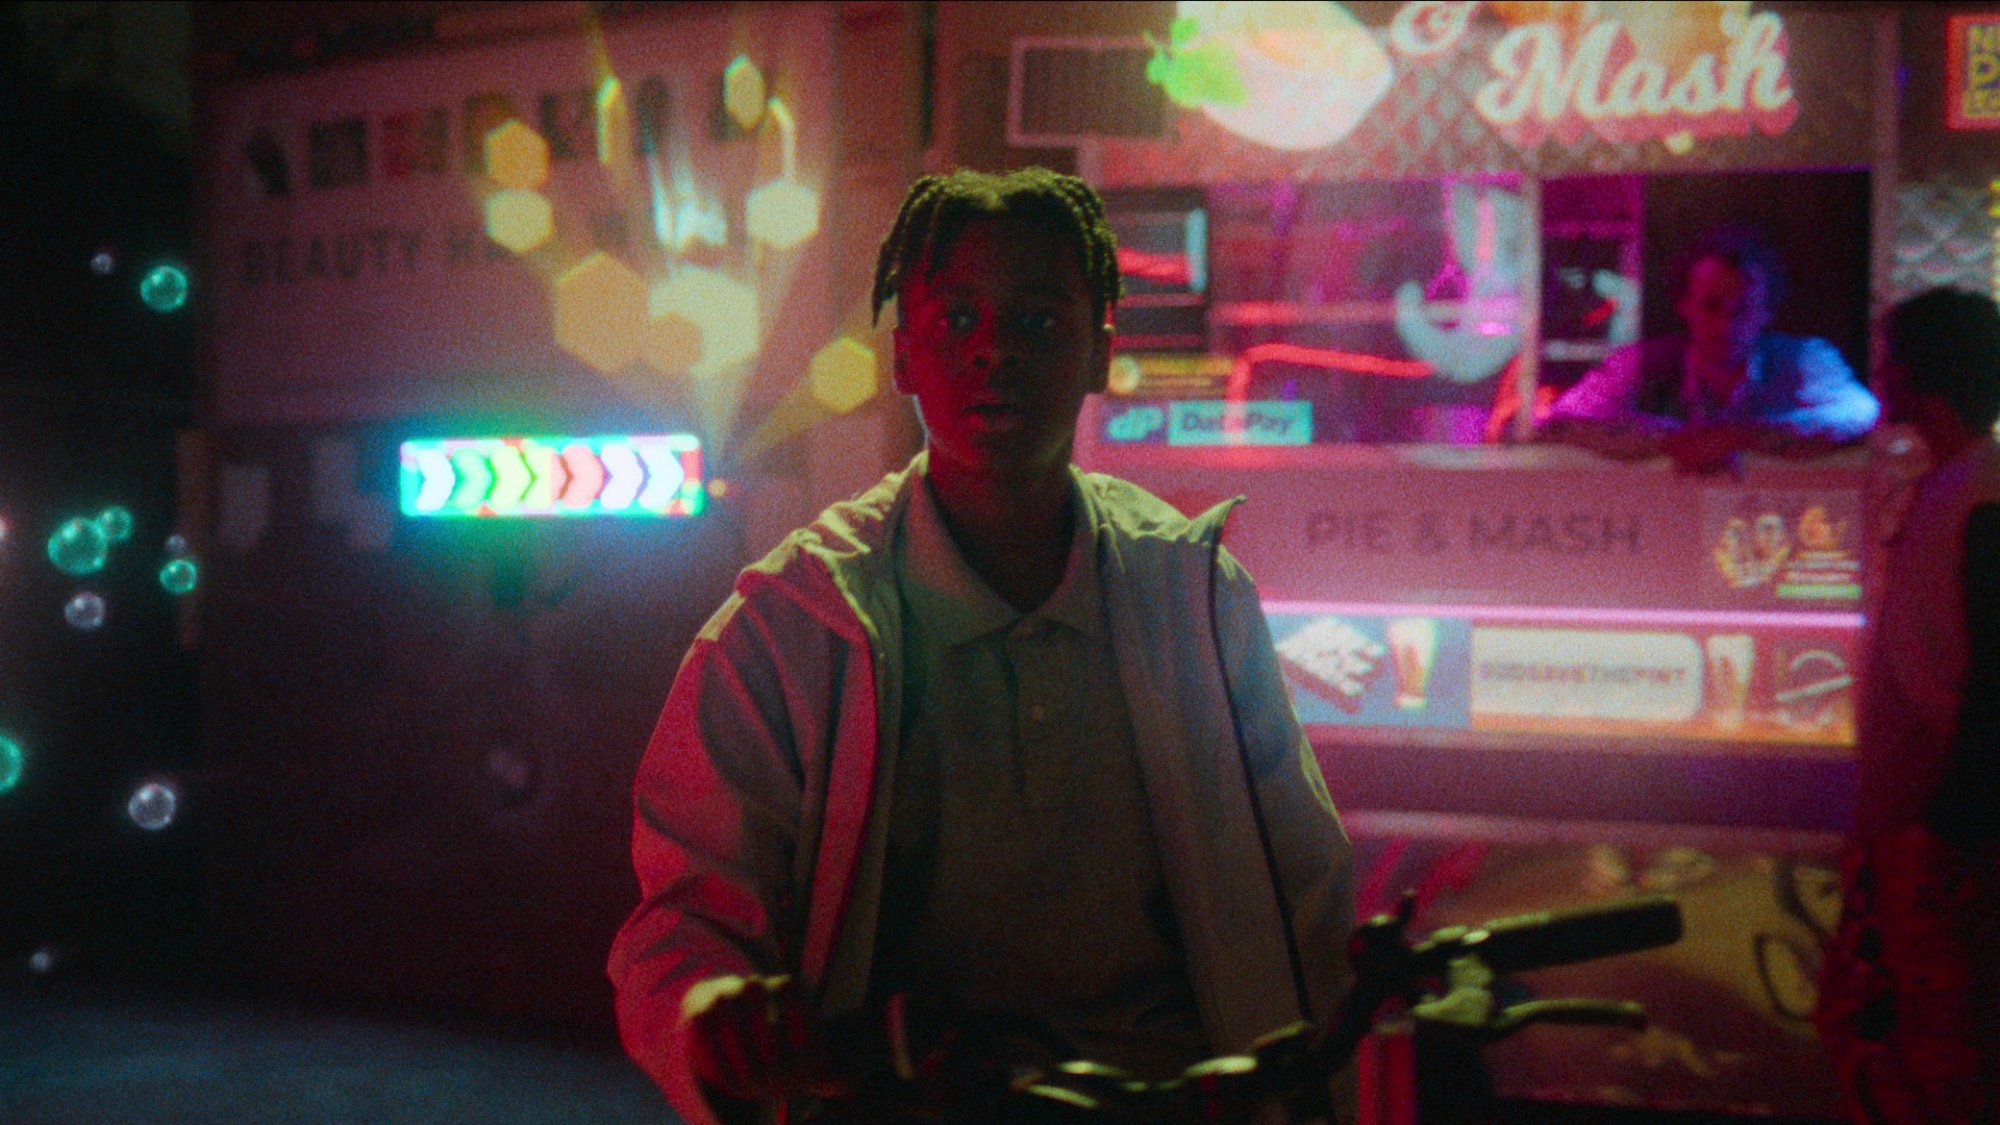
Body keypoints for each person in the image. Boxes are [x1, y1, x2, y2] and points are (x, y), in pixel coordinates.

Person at [606, 168, 1356, 1125]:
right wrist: (711, 1012)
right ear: (903, 356)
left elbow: (1307, 900)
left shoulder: (1192, 600)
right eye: (956, 319)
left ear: (1099, 354)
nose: (995, 351)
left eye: (1040, 323)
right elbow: (683, 923)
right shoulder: (796, 625)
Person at [1814, 288, 2000, 1123]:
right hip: (1915, 822)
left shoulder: (1976, 498)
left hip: (1932, 830)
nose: (1877, 373)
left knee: (1931, 1051)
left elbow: (1985, 683)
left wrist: (1945, 824)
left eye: (1891, 357)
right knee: (1878, 1029)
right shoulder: (1957, 488)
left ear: (1922, 377)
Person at [1538, 228, 1879, 473]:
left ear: (1769, 310)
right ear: (1684, 304)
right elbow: (1563, 419)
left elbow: (1861, 413)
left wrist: (1739, 436)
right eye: (1711, 306)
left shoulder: (1806, 359)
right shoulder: (1641, 363)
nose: (1726, 325)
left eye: (1743, 308)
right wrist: (1670, 441)